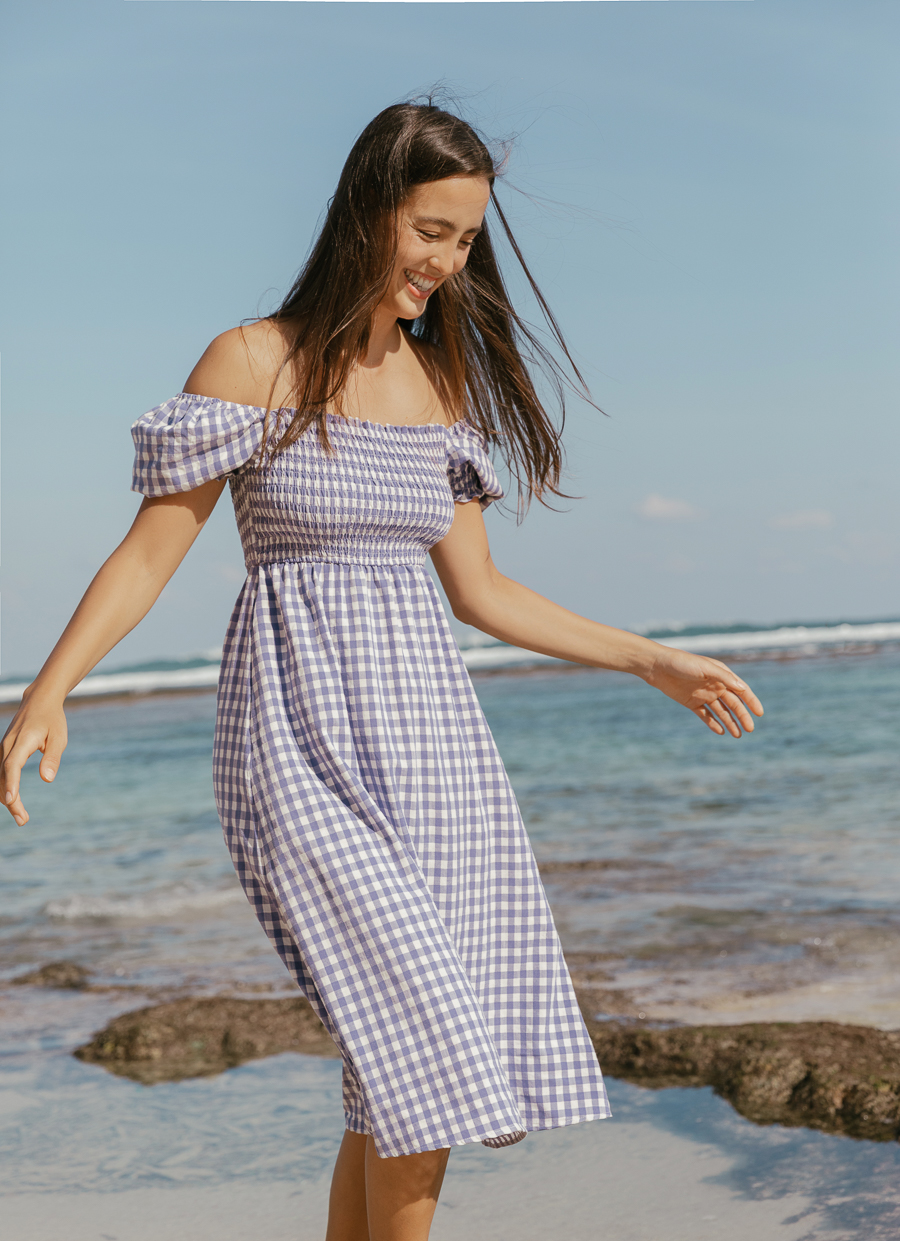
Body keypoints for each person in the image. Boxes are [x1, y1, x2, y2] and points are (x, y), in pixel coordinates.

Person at [0, 101, 763, 1241]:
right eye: (431, 230)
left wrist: (650, 657)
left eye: (465, 242)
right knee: (427, 1048)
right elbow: (150, 552)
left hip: (437, 755)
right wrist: (47, 690)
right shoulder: (254, 359)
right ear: (370, 207)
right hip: (294, 747)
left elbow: (484, 594)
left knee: (396, 1083)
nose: (447, 264)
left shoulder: (436, 385)